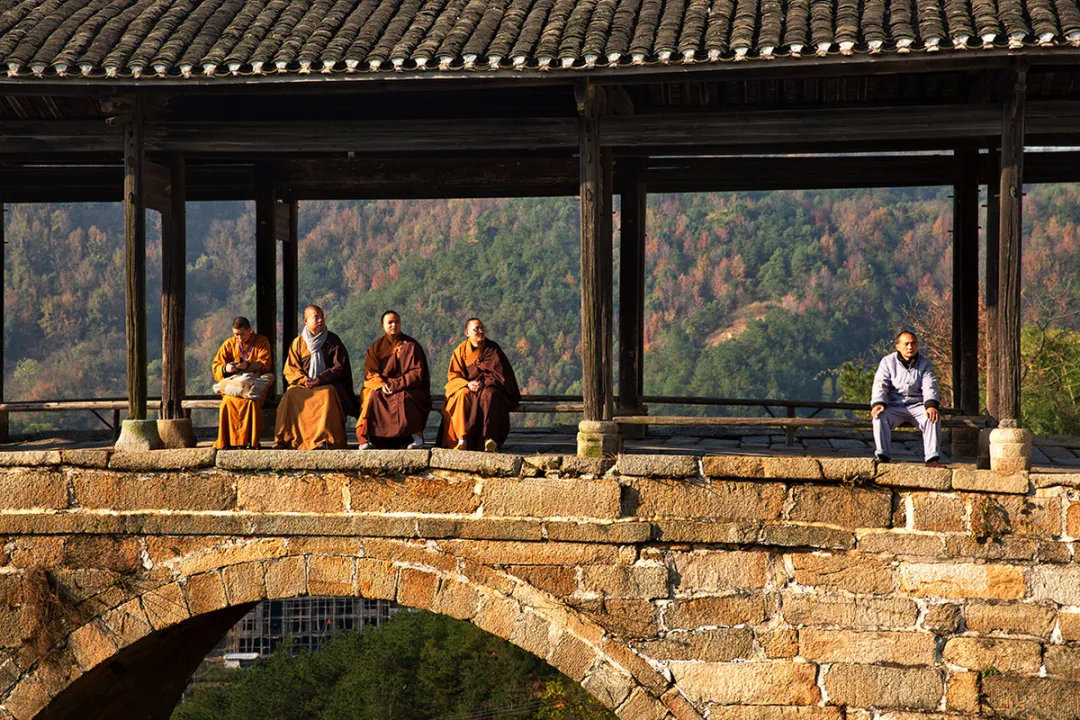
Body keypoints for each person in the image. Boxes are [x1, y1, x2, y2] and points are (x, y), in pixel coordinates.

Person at [273, 305, 358, 449]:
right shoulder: (298, 343)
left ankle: (324, 439)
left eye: (322, 316)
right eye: (316, 317)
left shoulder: (333, 340)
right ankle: (285, 438)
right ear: (306, 321)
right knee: (290, 395)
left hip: (326, 384)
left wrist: (320, 379)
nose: (320, 320)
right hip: (304, 384)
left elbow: (340, 367)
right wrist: (303, 379)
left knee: (326, 395)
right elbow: (290, 369)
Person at [438, 318, 521, 452]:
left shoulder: (492, 349)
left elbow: (501, 374)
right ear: (467, 332)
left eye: (482, 328)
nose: (481, 331)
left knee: (488, 395)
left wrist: (483, 383)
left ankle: (490, 438)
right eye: (476, 329)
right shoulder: (460, 351)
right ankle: (462, 439)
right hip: (469, 387)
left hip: (491, 386)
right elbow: (453, 376)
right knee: (461, 395)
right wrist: (467, 384)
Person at [356, 311, 431, 449]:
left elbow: (417, 373)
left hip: (407, 386)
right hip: (383, 385)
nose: (394, 325)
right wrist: (381, 384)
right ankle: (365, 439)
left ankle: (417, 438)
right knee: (372, 395)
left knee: (406, 398)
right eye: (390, 322)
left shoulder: (412, 345)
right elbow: (370, 372)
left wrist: (396, 384)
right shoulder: (376, 347)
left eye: (397, 322)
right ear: (382, 326)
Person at [871, 330, 943, 467]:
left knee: (932, 417)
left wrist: (931, 405)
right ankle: (883, 456)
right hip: (894, 405)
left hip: (917, 405)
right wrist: (879, 402)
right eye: (906, 344)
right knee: (879, 416)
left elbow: (930, 385)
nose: (910, 347)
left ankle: (932, 459)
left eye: (913, 343)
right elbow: (881, 384)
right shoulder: (887, 362)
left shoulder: (925, 363)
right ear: (898, 346)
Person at [212, 316, 273, 449]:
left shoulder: (261, 342)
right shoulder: (229, 344)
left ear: (250, 330)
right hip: (234, 385)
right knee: (227, 402)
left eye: (242, 335)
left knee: (250, 401)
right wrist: (226, 368)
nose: (239, 338)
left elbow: (265, 363)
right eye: (236, 334)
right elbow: (217, 364)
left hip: (253, 382)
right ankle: (228, 442)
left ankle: (250, 441)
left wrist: (247, 366)